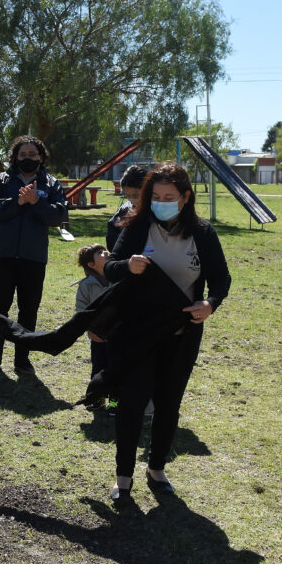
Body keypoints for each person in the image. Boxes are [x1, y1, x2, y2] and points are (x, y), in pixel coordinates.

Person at [103, 163, 230, 501]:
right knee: (131, 403)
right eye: (156, 196)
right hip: (137, 333)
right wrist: (128, 265)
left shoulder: (203, 233)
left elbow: (221, 279)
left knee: (168, 404)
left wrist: (210, 303)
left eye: (169, 197)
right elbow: (111, 268)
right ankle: (123, 477)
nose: (161, 202)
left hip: (181, 335)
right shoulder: (137, 226)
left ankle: (157, 468)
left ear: (185, 198)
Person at [0, 135, 69, 374]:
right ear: (15, 157)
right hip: (3, 256)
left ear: (41, 157)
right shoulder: (2, 180)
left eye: (32, 155)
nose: (27, 159)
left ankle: (22, 360)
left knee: (28, 308)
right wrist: (17, 202)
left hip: (34, 257)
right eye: (22, 155)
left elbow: (58, 215)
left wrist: (36, 203)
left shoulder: (51, 183)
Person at [75, 243, 112, 388]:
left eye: (105, 250)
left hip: (118, 337)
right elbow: (81, 311)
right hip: (97, 338)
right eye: (100, 253)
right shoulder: (86, 285)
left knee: (116, 371)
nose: (106, 253)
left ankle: (114, 406)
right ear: (91, 264)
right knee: (98, 371)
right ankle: (96, 399)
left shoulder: (118, 278)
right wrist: (92, 331)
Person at [107, 164, 148, 249]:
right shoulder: (123, 212)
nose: (132, 200)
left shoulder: (158, 209)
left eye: (136, 195)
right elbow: (112, 243)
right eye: (128, 196)